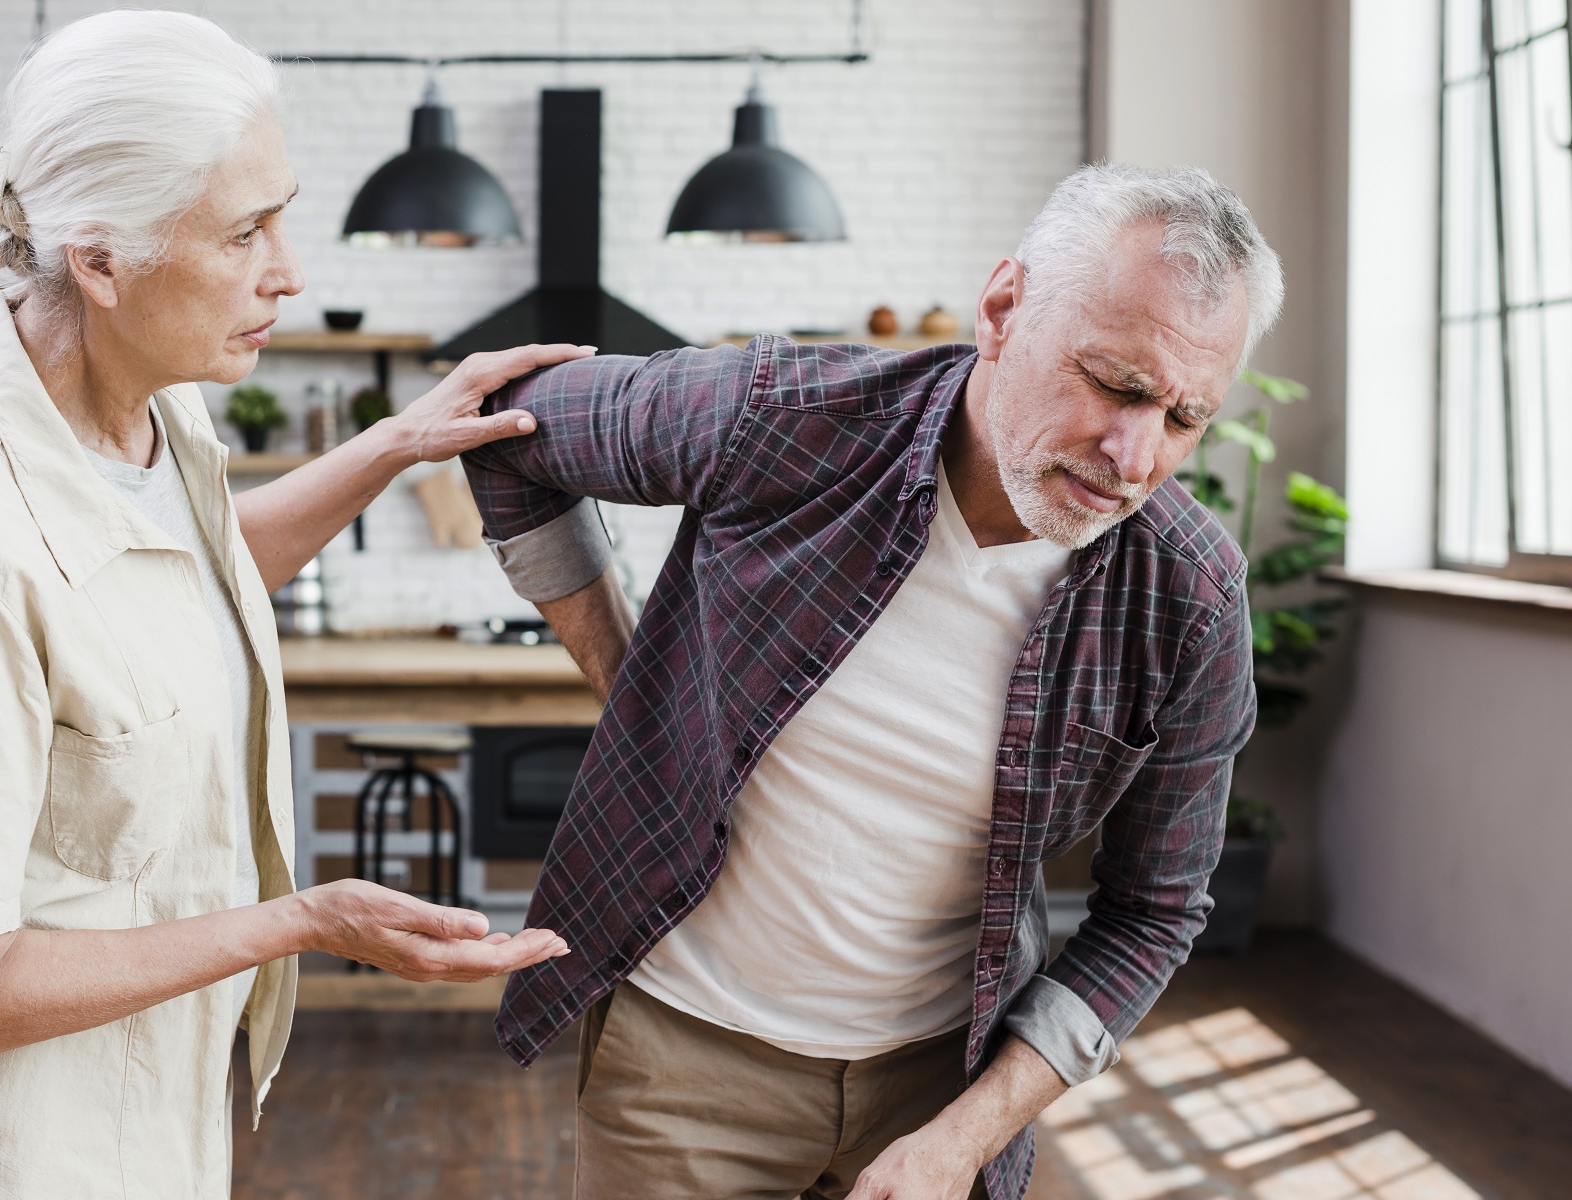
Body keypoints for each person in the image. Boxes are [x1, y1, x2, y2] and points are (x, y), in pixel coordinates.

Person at [0, 12, 579, 1199]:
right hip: (20, 1156)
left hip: (150, 1113)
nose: (289, 270)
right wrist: (300, 922)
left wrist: (395, 444)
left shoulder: (148, 404)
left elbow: (186, 573)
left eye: (282, 214)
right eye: (243, 232)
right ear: (100, 261)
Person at [461, 163, 1280, 1200]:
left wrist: (964, 1138)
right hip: (683, 1062)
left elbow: (1151, 915)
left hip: (941, 1087)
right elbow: (504, 425)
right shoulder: (783, 415)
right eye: (1115, 384)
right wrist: (630, 688)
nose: (1133, 455)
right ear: (1003, 309)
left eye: (1184, 417)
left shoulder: (1189, 595)